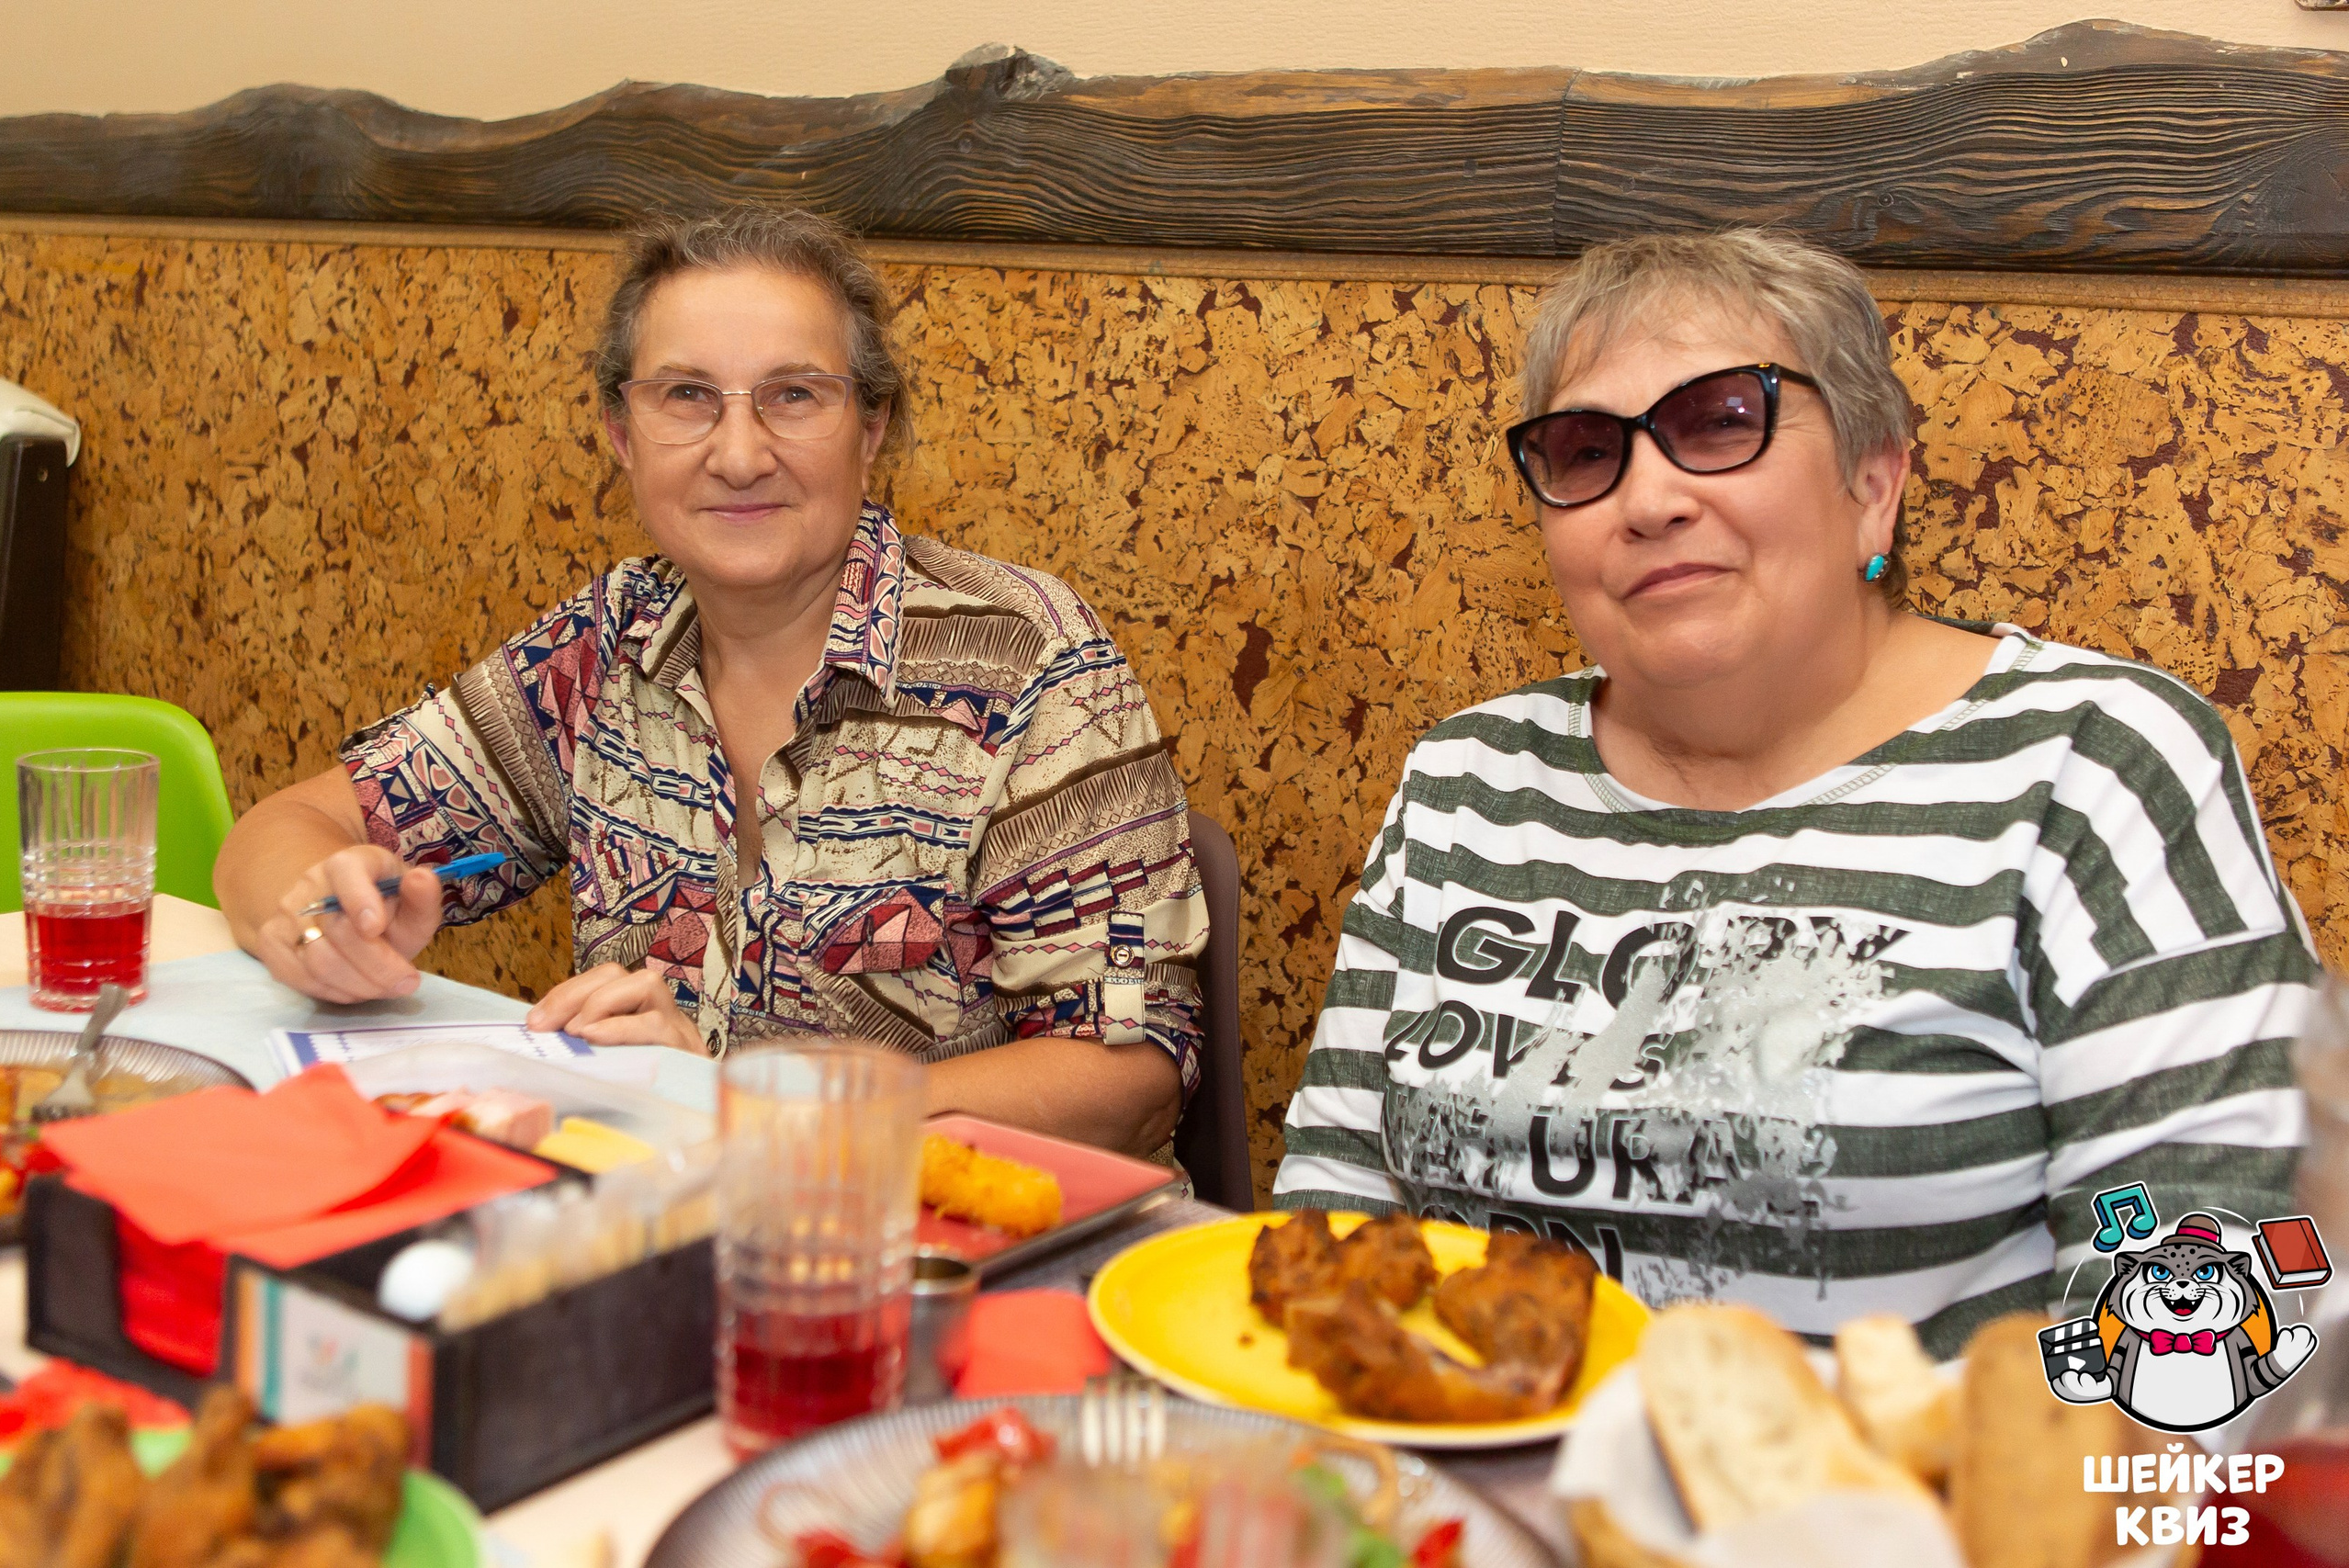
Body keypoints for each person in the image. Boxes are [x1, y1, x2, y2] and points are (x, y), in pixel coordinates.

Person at [1273, 229, 2314, 1352]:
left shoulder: (2094, 761)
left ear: (1873, 484)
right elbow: (1331, 1229)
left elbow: (2210, 1318)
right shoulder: (1464, 780)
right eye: (1584, 452)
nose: (1648, 498)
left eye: (1723, 420)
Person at [215, 206, 1205, 1156]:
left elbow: (1128, 1083)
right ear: (620, 433)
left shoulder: (1025, 662)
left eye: (794, 395)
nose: (738, 454)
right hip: (672, 1230)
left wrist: (745, 1103)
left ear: (870, 428)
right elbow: (277, 835)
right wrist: (315, 919)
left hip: (961, 1260)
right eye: (687, 396)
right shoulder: (606, 644)